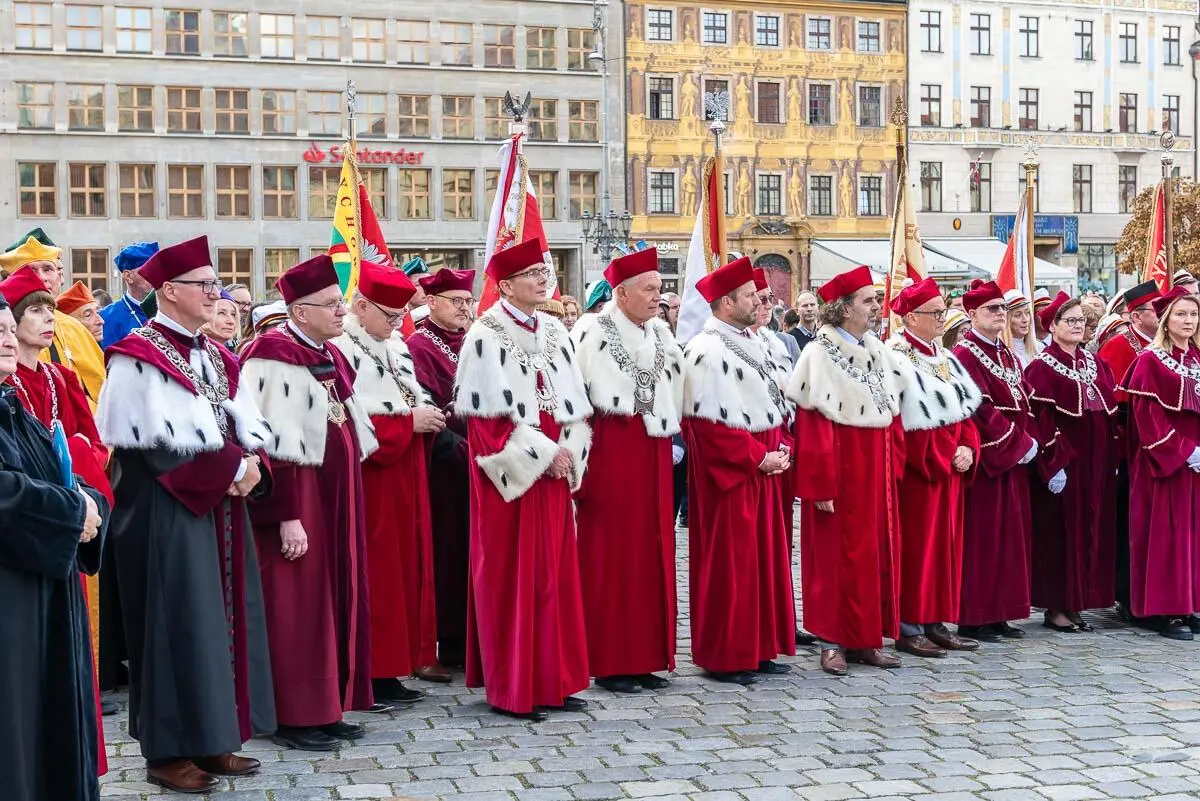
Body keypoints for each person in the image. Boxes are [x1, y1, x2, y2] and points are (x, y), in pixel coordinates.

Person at [93, 235, 276, 793]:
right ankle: (168, 751)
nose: (216, 294)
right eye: (205, 285)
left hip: (217, 505)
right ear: (169, 290)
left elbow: (239, 421)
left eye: (216, 284)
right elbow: (156, 448)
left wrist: (252, 463)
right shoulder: (137, 355)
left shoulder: (214, 353)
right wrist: (233, 470)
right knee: (175, 626)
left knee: (219, 622)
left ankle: (214, 735)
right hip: (165, 513)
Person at [241, 255, 377, 750]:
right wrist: (286, 515)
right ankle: (295, 715)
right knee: (298, 607)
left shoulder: (330, 353)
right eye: (332, 304)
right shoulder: (272, 355)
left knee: (335, 597)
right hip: (299, 505)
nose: (343, 312)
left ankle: (329, 705)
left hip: (336, 500)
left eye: (341, 302)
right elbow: (271, 447)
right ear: (300, 312)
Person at [453, 238, 593, 722]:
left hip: (554, 473)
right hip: (511, 482)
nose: (542, 280)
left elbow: (573, 402)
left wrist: (568, 449)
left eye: (543, 272)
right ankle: (516, 687)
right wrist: (542, 455)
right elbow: (485, 425)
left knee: (555, 578)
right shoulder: (485, 335)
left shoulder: (554, 329)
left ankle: (555, 679)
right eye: (531, 274)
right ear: (506, 285)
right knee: (515, 578)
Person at [0, 295, 107, 801]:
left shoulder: (12, 405)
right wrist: (70, 512)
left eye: (7, 328)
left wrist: (87, 502)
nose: (6, 339)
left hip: (43, 596)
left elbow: (57, 470)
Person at [331, 264, 446, 702]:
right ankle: (373, 670)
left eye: (401, 316)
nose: (397, 324)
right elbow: (349, 422)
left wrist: (425, 418)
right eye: (390, 315)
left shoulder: (394, 345)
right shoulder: (342, 348)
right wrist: (408, 423)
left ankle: (394, 664)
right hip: (372, 480)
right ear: (360, 307)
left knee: (404, 569)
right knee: (378, 572)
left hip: (406, 475)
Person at [572, 248, 684, 695]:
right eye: (650, 289)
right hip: (610, 454)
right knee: (612, 557)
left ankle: (647, 656)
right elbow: (575, 403)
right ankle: (611, 661)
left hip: (653, 452)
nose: (659, 296)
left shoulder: (661, 333)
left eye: (660, 288)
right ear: (620, 294)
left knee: (653, 551)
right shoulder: (590, 331)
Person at [683, 256, 795, 685]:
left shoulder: (755, 342)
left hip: (763, 466)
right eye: (750, 296)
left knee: (763, 562)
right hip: (733, 475)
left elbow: (773, 403)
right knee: (733, 565)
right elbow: (707, 426)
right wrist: (756, 456)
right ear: (727, 303)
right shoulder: (707, 350)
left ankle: (759, 645)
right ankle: (728, 654)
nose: (761, 302)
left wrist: (781, 445)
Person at [790, 266, 902, 675]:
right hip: (839, 471)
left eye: (875, 300)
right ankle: (831, 640)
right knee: (833, 558)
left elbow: (890, 411)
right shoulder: (819, 353)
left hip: (872, 469)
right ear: (843, 308)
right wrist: (820, 484)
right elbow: (813, 424)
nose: (875, 307)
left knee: (869, 555)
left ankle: (864, 638)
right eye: (868, 301)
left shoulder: (875, 350)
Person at [887, 278, 983, 658]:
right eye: (936, 313)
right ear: (912, 317)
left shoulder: (944, 356)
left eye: (944, 312)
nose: (944, 319)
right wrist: (943, 454)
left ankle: (936, 620)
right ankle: (910, 624)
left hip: (950, 469)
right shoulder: (895, 357)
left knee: (945, 549)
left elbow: (965, 411)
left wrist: (968, 446)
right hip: (922, 473)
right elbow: (901, 423)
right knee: (919, 550)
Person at [1024, 292, 1119, 634]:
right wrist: (1052, 464)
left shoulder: (1095, 363)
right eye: (1071, 320)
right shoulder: (1040, 367)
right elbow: (1038, 420)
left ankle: (1078, 601)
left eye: (1082, 320)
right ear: (1052, 326)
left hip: (1097, 463)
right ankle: (1057, 606)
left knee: (1092, 528)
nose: (1079, 326)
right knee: (1061, 533)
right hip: (1065, 464)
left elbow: (1109, 414)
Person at [952, 280, 1038, 642]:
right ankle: (976, 616)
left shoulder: (1006, 353)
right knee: (984, 538)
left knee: (1010, 538)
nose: (1000, 314)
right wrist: (1017, 442)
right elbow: (979, 409)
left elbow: (1024, 400)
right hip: (989, 458)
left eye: (1002, 308)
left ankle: (1001, 611)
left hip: (1014, 457)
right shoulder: (965, 354)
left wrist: (1030, 440)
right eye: (992, 309)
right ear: (972, 314)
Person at [408, 268, 475, 674]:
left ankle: (473, 639)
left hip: (481, 461)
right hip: (444, 465)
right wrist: (460, 450)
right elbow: (426, 407)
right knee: (448, 553)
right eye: (456, 301)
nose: (464, 308)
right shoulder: (418, 346)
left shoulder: (473, 340)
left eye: (468, 301)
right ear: (431, 302)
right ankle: (448, 641)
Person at [1123, 287, 1200, 639]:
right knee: (1168, 536)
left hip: (1196, 465)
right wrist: (1184, 452)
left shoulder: (1197, 358)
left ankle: (1190, 604)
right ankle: (1167, 611)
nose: (1188, 320)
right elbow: (1148, 419)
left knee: (1193, 536)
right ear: (1166, 321)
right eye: (1181, 314)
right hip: (1165, 464)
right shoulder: (1149, 361)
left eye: (1193, 314)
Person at [1098, 280, 1159, 623]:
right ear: (1136, 316)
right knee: (1129, 525)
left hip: (1162, 452)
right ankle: (1127, 595)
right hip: (1128, 452)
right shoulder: (1119, 347)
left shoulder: (1165, 346)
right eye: (1156, 310)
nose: (1162, 315)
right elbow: (1110, 401)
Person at [0, 230, 106, 408]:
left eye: (48, 269)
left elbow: (103, 389)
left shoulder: (74, 327)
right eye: (31, 270)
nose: (41, 277)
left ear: (59, 276)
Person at [99, 242, 158, 349]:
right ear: (128, 276)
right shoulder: (106, 318)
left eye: (156, 270)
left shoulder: (171, 309)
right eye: (149, 270)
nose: (155, 275)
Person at [1005, 289, 1038, 366]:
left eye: (1027, 313)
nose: (1025, 319)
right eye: (1018, 315)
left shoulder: (1039, 348)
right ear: (1007, 320)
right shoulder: (1003, 354)